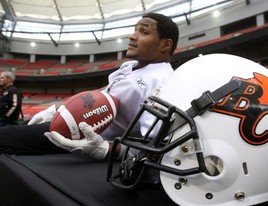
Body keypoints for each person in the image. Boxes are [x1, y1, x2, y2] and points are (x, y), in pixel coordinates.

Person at [0, 13, 179, 159]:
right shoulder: (131, 66)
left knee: (5, 137)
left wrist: (107, 149)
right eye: (134, 30)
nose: (132, 36)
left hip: (85, 140)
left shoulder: (162, 81)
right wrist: (56, 109)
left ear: (165, 44)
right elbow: (104, 92)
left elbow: (158, 144)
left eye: (143, 32)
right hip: (76, 127)